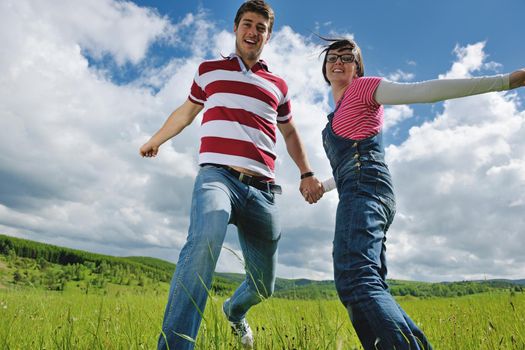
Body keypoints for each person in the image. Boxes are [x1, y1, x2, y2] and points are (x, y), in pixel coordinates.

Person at [313, 37, 525, 350]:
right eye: (333, 57)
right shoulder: (338, 114)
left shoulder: (363, 89)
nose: (339, 61)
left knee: (356, 278)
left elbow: (423, 91)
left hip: (365, 188)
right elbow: (350, 160)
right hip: (360, 188)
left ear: (358, 69)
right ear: (324, 67)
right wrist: (325, 185)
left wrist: (504, 82)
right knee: (367, 283)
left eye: (348, 57)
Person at [140, 1, 323, 349]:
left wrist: (307, 173)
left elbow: (290, 133)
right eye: (247, 24)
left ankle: (234, 312)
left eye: (261, 28)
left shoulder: (278, 85)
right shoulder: (209, 70)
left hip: (263, 191)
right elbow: (186, 111)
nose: (253, 32)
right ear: (236, 27)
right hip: (217, 178)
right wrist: (156, 139)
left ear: (268, 36)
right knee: (204, 241)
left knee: (263, 285)